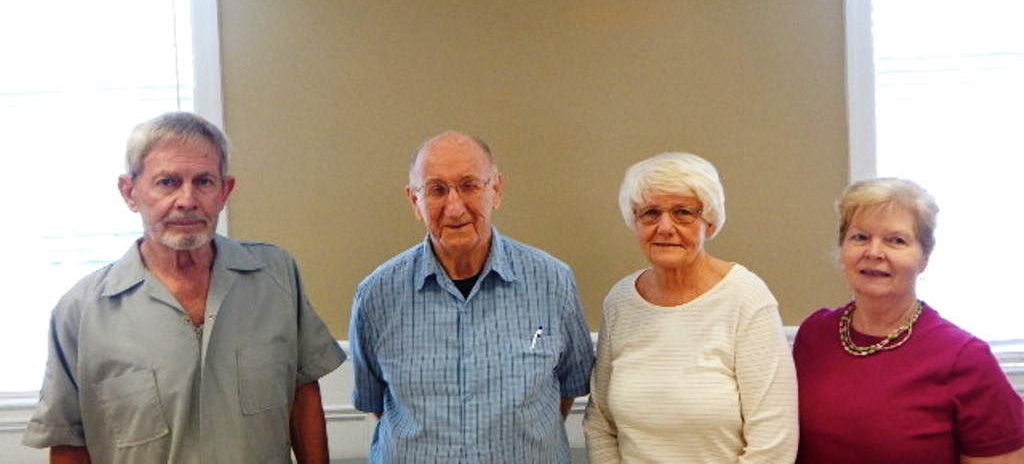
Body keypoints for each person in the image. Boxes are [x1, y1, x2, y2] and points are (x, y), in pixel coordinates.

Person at [21, 112, 346, 463]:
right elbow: (69, 441)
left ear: (225, 191)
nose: (187, 200)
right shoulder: (80, 312)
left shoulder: (276, 276)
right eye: (167, 182)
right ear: (130, 192)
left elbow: (303, 398)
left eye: (204, 181)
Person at [347, 130, 595, 463]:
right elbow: (374, 401)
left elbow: (570, 387)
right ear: (414, 201)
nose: (454, 207)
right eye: (436, 190)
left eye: (468, 185)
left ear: (496, 190)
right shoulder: (376, 295)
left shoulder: (553, 282)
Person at [583, 152, 798, 463]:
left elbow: (773, 440)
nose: (665, 227)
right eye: (650, 213)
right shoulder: (620, 302)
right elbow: (600, 422)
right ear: (634, 221)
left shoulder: (746, 297)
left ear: (709, 221)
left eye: (683, 212)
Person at [794, 177, 1024, 463]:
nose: (874, 252)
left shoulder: (964, 358)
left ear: (924, 257)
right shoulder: (815, 334)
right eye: (861, 237)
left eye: (896, 240)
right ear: (843, 248)